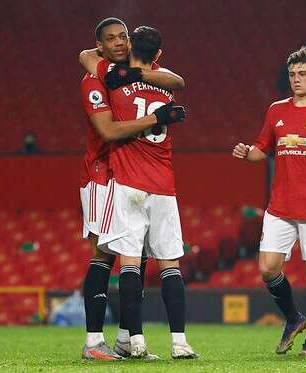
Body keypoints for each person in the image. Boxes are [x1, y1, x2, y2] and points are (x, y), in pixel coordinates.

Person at [82, 25, 198, 360]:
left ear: (130, 43)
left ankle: (129, 340)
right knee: (111, 255)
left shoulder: (126, 77)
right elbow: (106, 130)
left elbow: (176, 80)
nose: (118, 42)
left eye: (122, 37)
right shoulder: (104, 78)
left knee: (133, 258)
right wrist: (155, 117)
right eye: (111, 38)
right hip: (108, 175)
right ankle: (96, 342)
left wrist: (128, 73)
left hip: (127, 176)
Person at [232, 46, 306, 357]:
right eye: (292, 74)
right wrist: (248, 153)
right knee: (268, 268)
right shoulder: (276, 110)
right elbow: (262, 148)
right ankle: (294, 318)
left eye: (302, 74)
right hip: (280, 206)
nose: (296, 79)